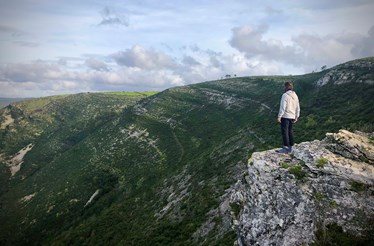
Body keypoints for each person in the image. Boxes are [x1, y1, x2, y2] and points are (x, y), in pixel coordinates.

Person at [276, 81, 300, 154]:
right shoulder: (295, 96)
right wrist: (296, 116)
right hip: (292, 116)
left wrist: (279, 116)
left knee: (285, 131)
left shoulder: (285, 95)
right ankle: (291, 146)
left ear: (285, 87)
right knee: (290, 131)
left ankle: (286, 147)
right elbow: (297, 107)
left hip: (286, 116)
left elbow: (283, 106)